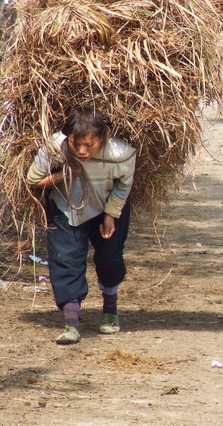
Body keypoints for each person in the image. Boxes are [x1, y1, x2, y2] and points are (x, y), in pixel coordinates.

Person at [27, 108, 136, 344]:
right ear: (68, 138)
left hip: (107, 208)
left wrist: (110, 214)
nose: (83, 151)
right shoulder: (55, 148)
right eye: (77, 144)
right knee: (65, 260)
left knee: (110, 258)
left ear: (102, 138)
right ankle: (71, 324)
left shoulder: (121, 153)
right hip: (66, 209)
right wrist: (66, 173)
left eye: (90, 144)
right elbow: (33, 180)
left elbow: (123, 186)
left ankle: (110, 310)